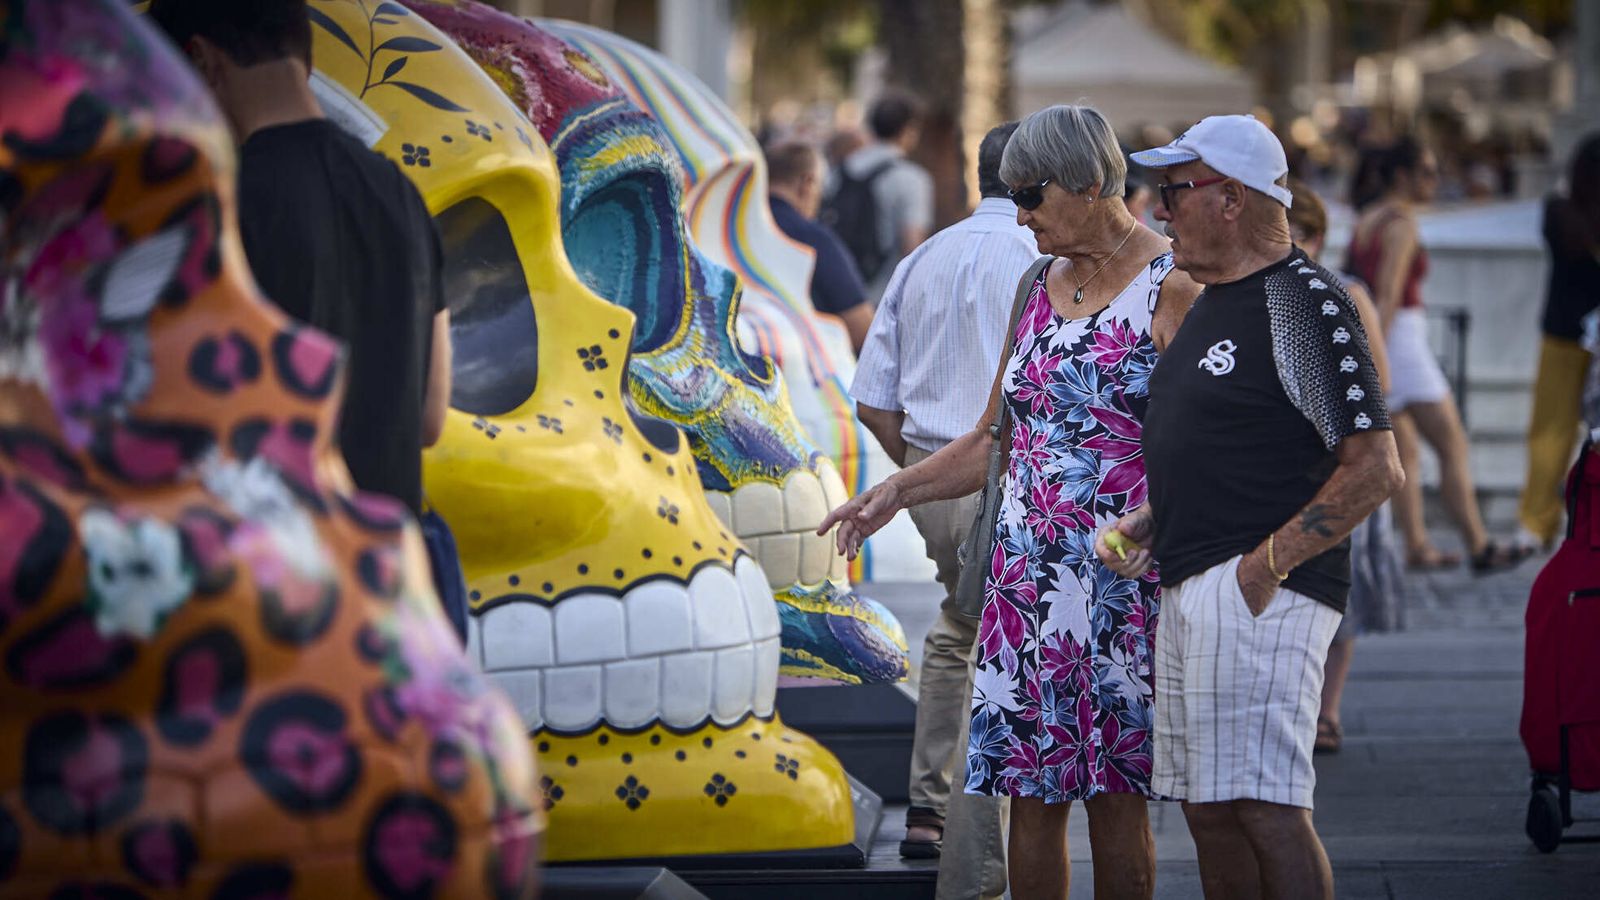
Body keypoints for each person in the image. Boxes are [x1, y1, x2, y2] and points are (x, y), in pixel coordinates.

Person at [824, 104, 1202, 900]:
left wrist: (1160, 522)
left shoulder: (1174, 285)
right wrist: (894, 490)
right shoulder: (1036, 282)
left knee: (1115, 804)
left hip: (1120, 589)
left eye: (1031, 196)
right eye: (1012, 194)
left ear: (1094, 184)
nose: (1019, 214)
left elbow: (1210, 446)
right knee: (1029, 798)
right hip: (1023, 583)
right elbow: (993, 434)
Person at [1103, 114, 1403, 900]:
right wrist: (1156, 519)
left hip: (1259, 593)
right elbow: (1238, 436)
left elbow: (1376, 468)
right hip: (1199, 578)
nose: (1159, 209)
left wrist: (1265, 568)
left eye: (1173, 191)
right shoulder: (1217, 297)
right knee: (1209, 810)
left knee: (1267, 810)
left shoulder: (1304, 300)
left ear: (1230, 198)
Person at [150, 0, 451, 518]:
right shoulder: (403, 195)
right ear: (306, 60)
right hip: (385, 574)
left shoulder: (215, 209)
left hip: (273, 565)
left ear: (200, 63)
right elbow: (428, 418)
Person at [846, 121, 1034, 893]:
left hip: (927, 462)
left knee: (960, 630)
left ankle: (932, 810)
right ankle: (969, 825)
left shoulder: (926, 255)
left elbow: (872, 398)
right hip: (1007, 471)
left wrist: (914, 475)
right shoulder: (1045, 259)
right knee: (988, 639)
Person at [1345, 137, 1529, 574]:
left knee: (1406, 449)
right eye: (1427, 172)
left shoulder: (1365, 219)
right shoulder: (1401, 223)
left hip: (1383, 336)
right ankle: (1478, 545)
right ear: (1403, 176)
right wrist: (1377, 352)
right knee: (1452, 444)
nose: (1435, 180)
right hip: (1401, 340)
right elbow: (1388, 295)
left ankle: (1418, 545)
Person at [1286, 178, 1403, 755]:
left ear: (1317, 238)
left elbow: (1380, 381)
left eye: (1296, 236)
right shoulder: (1268, 294)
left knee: (1345, 593)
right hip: (1297, 468)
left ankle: (1327, 710)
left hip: (1342, 460)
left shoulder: (1348, 293)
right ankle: (1301, 707)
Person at [1518, 133, 1600, 548]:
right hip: (1590, 339)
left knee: (1550, 431)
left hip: (1562, 332)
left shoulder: (1558, 211)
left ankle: (1536, 522)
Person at [765, 141, 875, 353]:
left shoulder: (733, 228)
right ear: (807, 183)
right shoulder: (813, 238)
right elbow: (862, 328)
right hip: (804, 372)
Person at [824, 92, 935, 300]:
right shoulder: (912, 179)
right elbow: (912, 246)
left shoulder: (841, 170)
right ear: (908, 131)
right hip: (882, 297)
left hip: (835, 293)